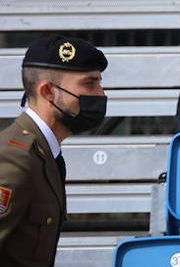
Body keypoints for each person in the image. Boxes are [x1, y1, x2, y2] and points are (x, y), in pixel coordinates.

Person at [0, 35, 108, 267]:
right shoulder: (15, 158)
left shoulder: (45, 153)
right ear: (48, 91)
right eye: (90, 84)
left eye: (99, 83)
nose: (101, 94)